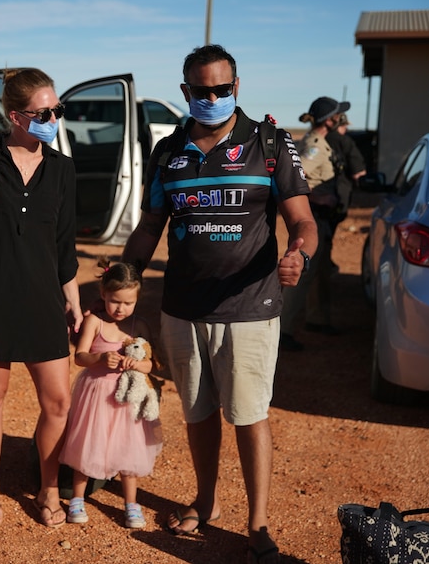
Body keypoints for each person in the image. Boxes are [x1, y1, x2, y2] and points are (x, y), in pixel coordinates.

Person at [121, 44, 317, 564]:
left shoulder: (270, 143)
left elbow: (303, 221)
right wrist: (126, 276)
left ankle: (257, 523)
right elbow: (148, 227)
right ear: (186, 92)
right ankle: (204, 501)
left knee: (250, 415)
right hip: (182, 310)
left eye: (221, 89)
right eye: (201, 90)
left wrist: (299, 255)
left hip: (250, 309)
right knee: (199, 412)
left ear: (237, 87)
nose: (211, 97)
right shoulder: (169, 152)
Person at [0, 68, 83, 528]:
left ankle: (48, 488)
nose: (53, 118)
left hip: (44, 299)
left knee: (58, 402)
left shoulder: (63, 169)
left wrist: (75, 303)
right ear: (16, 117)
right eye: (44, 112)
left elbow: (65, 249)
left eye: (57, 110)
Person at [59, 257, 162, 529]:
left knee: (129, 448)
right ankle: (77, 499)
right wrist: (100, 359)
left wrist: (137, 364)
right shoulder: (95, 321)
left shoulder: (139, 326)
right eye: (115, 301)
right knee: (88, 444)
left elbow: (151, 363)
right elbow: (80, 356)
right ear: (103, 293)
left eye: (128, 303)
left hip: (128, 400)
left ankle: (131, 504)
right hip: (97, 395)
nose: (121, 308)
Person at [280, 96, 350, 351]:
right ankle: (282, 331)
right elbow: (294, 179)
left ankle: (317, 319)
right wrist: (320, 195)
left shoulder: (321, 143)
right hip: (314, 218)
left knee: (320, 273)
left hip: (324, 218)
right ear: (330, 120)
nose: (342, 119)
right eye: (338, 115)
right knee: (304, 276)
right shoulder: (315, 146)